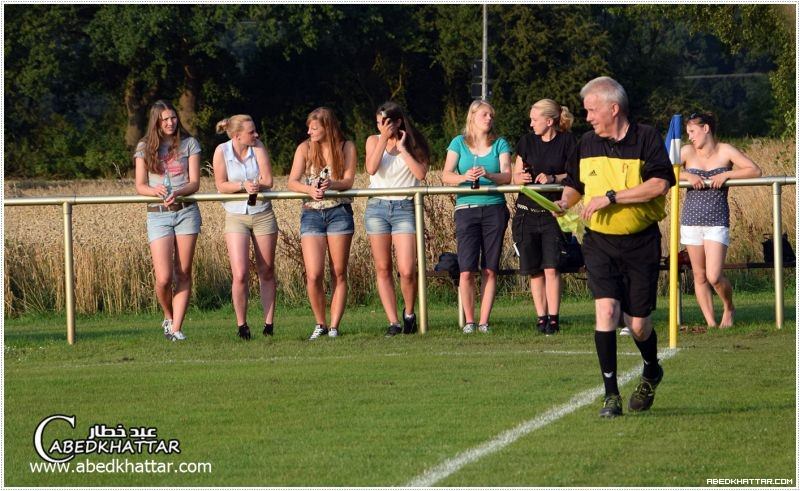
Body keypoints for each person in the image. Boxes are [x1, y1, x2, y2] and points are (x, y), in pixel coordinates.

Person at [555, 77, 676, 418]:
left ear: (614, 108)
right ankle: (611, 395)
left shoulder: (647, 138)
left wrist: (611, 197)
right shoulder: (586, 143)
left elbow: (659, 184)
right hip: (599, 243)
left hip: (641, 244)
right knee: (606, 312)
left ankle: (652, 369)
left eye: (592, 110)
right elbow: (575, 186)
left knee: (638, 324)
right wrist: (564, 203)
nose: (587, 116)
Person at [679, 112, 761, 328]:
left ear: (706, 129)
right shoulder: (687, 152)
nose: (690, 137)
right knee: (699, 275)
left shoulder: (725, 150)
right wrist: (687, 176)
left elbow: (755, 170)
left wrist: (727, 175)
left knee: (714, 276)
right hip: (691, 220)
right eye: (688, 132)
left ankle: (729, 307)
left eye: (693, 132)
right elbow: (664, 172)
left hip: (716, 220)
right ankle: (711, 323)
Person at [441, 100, 512, 334]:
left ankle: (484, 321)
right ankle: (469, 321)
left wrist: (489, 174)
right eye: (484, 114)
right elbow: (446, 175)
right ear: (472, 116)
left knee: (490, 268)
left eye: (491, 115)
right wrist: (464, 177)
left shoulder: (500, 143)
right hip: (466, 209)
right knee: (466, 268)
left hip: (494, 208)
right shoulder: (458, 143)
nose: (489, 118)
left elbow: (507, 175)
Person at [134, 100, 202, 342]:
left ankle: (176, 329)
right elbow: (140, 185)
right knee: (163, 277)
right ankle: (168, 315)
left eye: (173, 118)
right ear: (156, 122)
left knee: (183, 272)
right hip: (158, 215)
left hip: (186, 212)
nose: (171, 123)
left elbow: (195, 182)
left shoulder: (189, 144)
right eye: (165, 119)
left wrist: (180, 191)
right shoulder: (144, 148)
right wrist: (156, 192)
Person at [287, 107, 357, 340]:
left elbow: (348, 180)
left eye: (314, 128)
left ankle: (335, 325)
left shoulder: (346, 147)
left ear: (328, 127)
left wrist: (331, 185)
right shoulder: (304, 148)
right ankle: (320, 323)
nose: (310, 132)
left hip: (339, 212)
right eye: (309, 128)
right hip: (312, 214)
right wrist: (309, 189)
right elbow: (292, 181)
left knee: (338, 271)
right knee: (314, 274)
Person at [511, 99, 577, 335]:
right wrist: (522, 179)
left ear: (549, 122)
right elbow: (515, 176)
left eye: (534, 119)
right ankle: (541, 317)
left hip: (553, 213)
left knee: (552, 267)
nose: (531, 124)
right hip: (526, 213)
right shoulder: (526, 142)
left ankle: (554, 318)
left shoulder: (568, 142)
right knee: (534, 269)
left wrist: (552, 179)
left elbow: (573, 174)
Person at [364, 102, 430, 336]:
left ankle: (409, 312)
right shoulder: (374, 141)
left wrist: (403, 149)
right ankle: (393, 321)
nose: (381, 126)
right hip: (377, 208)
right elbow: (371, 169)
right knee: (383, 267)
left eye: (386, 122)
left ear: (398, 122)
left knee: (407, 269)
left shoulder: (414, 143)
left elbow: (421, 174)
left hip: (404, 207)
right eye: (378, 123)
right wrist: (383, 139)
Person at [213, 115, 279, 340]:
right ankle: (242, 325)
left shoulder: (258, 147)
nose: (256, 135)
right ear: (236, 135)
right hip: (236, 216)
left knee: (266, 270)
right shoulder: (221, 151)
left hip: (262, 213)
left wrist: (257, 184)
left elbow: (268, 180)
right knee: (240, 273)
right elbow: (220, 184)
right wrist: (243, 185)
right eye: (251, 132)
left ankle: (269, 324)